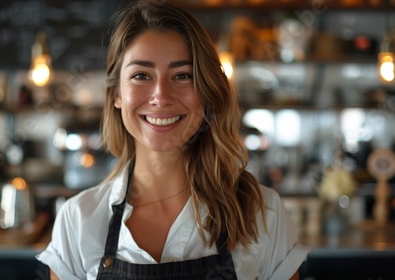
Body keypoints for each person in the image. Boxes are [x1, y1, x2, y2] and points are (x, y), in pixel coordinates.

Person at [37, 1, 310, 279]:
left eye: (182, 75)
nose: (161, 97)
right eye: (141, 75)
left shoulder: (263, 213)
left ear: (206, 93)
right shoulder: (78, 220)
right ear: (117, 95)